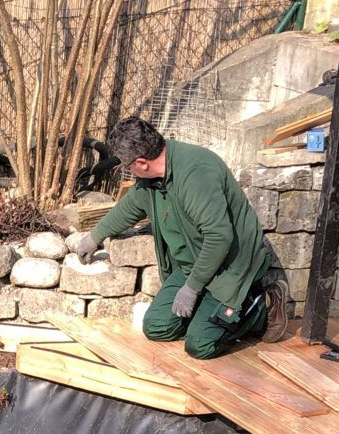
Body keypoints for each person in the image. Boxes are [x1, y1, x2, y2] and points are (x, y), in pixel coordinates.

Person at [67, 116, 289, 359]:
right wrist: (95, 236)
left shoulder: (195, 175)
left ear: (141, 163)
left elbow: (219, 238)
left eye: (125, 164)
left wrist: (192, 288)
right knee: (157, 327)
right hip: (193, 263)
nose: (124, 169)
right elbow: (131, 206)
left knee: (200, 345)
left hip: (230, 266)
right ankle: (212, 318)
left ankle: (264, 304)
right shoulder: (153, 178)